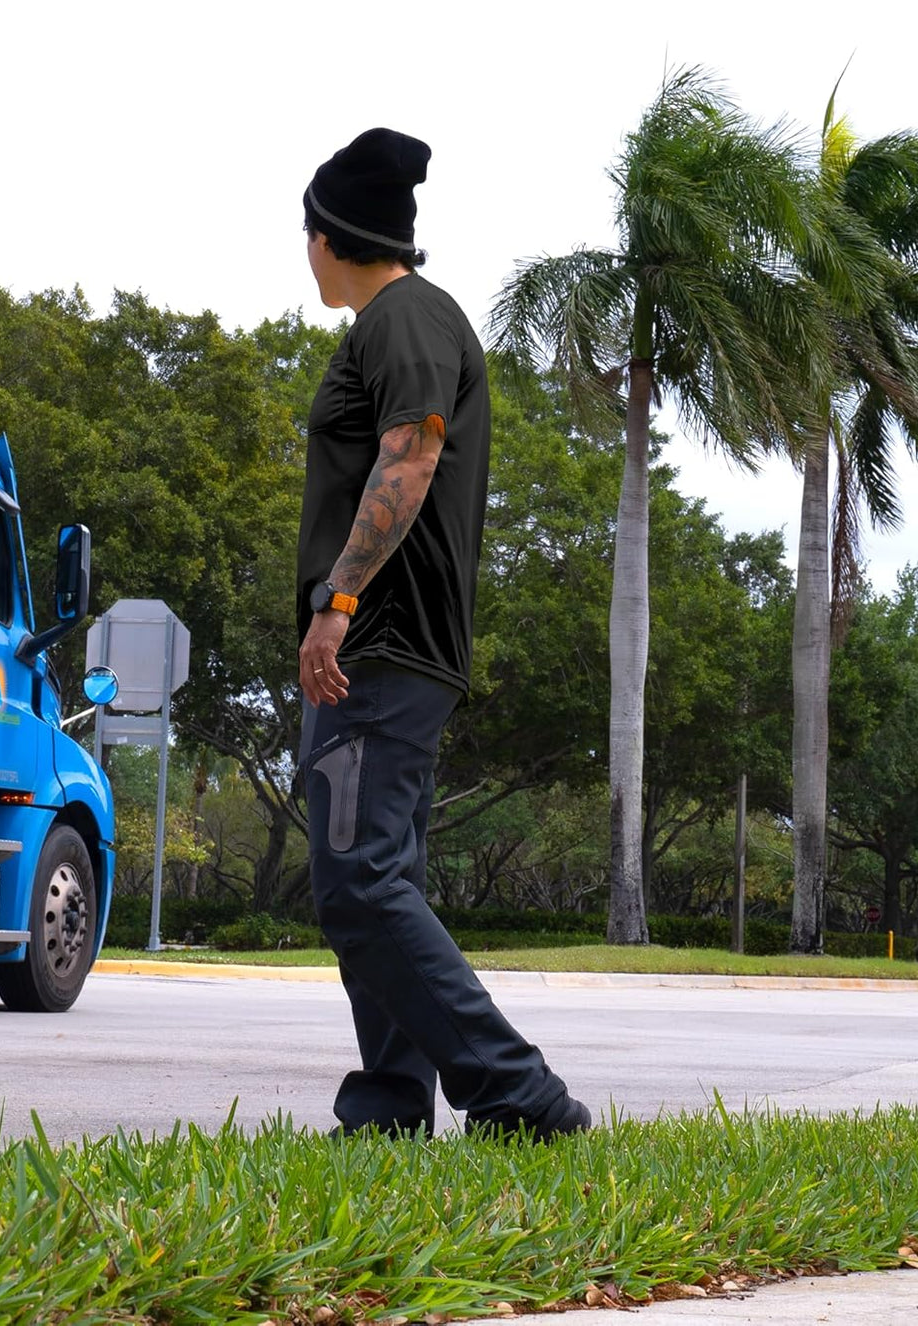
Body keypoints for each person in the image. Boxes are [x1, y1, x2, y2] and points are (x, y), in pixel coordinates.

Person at [296, 127, 590, 1141]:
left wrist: (336, 606)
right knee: (374, 880)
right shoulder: (398, 321)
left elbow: (409, 457)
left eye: (306, 232)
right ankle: (386, 1105)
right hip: (378, 651)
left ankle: (521, 1095)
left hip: (377, 647)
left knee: (357, 883)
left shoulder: (404, 318)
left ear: (326, 235)